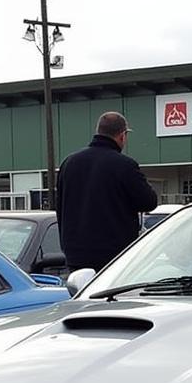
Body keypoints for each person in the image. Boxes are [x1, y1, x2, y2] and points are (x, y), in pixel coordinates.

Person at [56, 111, 158, 271]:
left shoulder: (69, 163)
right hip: (114, 255)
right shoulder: (125, 165)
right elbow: (149, 201)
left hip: (75, 254)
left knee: (82, 294)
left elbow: (60, 207)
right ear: (122, 135)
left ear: (98, 132)